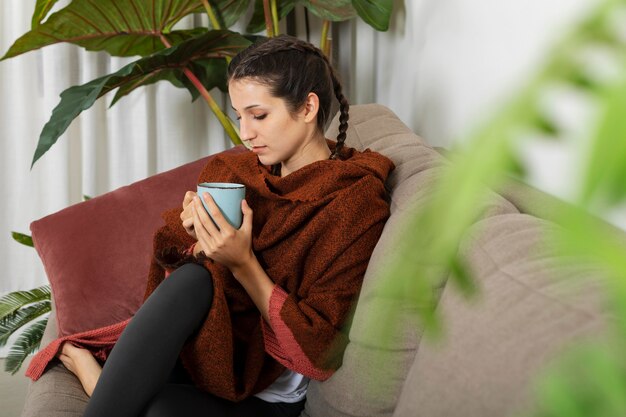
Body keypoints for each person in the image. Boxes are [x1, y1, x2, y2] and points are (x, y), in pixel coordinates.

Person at [52, 35, 394, 417]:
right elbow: (194, 282)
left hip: (267, 392)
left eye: (259, 115)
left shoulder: (353, 202)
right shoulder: (240, 174)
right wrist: (195, 238)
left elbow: (318, 355)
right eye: (239, 116)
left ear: (308, 107)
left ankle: (95, 380)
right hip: (208, 353)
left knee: (159, 411)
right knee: (192, 279)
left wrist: (242, 263)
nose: (245, 134)